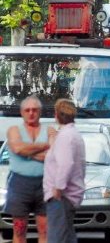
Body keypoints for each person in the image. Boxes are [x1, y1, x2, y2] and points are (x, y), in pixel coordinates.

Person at [4, 95, 53, 243]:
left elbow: (53, 155)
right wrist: (44, 146)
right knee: (19, 230)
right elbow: (18, 148)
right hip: (19, 184)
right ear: (21, 112)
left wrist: (27, 153)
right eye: (27, 110)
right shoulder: (14, 130)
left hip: (44, 184)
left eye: (34, 110)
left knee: (45, 231)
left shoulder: (50, 130)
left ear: (40, 111)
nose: (31, 113)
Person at [43, 99, 86, 243]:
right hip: (67, 196)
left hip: (61, 197)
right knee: (67, 237)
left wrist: (58, 188)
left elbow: (66, 164)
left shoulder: (66, 137)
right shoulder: (71, 134)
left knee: (57, 238)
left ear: (56, 115)